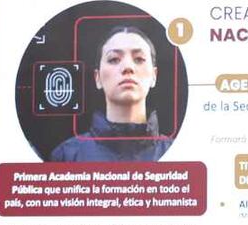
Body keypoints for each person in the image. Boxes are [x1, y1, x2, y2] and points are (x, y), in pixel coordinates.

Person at [50, 25, 173, 162]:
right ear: (97, 78)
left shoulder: (178, 153)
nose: (128, 67)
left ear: (154, 76)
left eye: (139, 59)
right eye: (114, 59)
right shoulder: (66, 156)